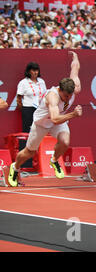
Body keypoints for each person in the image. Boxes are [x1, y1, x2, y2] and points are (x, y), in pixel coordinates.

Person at [8, 51, 82, 187]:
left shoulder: (73, 88)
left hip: (59, 121)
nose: (67, 98)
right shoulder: (52, 97)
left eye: (70, 96)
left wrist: (75, 57)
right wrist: (72, 114)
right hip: (43, 122)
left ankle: (54, 161)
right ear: (60, 90)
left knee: (65, 142)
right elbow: (54, 119)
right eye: (65, 96)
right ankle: (15, 167)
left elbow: (75, 69)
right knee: (29, 152)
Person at [16, 62, 47, 132]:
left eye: (37, 70)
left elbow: (45, 95)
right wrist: (24, 110)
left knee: (40, 128)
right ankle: (25, 143)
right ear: (29, 71)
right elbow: (18, 98)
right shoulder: (23, 82)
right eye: (33, 70)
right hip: (28, 109)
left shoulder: (42, 81)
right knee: (27, 129)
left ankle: (40, 143)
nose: (35, 72)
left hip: (40, 108)